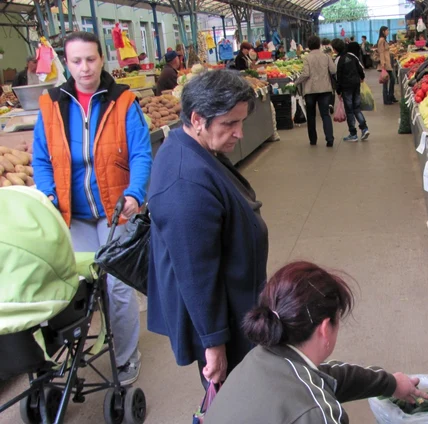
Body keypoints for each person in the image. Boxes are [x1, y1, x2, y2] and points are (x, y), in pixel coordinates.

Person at [176, 261, 423, 424]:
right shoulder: (313, 410)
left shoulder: (257, 360)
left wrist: (391, 383)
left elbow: (329, 378)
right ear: (326, 328)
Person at [33, 31, 151, 385]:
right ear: (65, 64)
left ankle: (126, 357)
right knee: (80, 285)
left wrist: (135, 192)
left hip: (116, 212)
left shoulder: (123, 101)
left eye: (91, 59)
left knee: (116, 286)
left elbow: (141, 153)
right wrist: (49, 196)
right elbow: (41, 158)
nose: (84, 68)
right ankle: (88, 346)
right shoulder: (51, 103)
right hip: (73, 214)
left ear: (103, 59)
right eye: (76, 61)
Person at [148, 70, 269, 386]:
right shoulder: (184, 182)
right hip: (223, 318)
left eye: (241, 122)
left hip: (237, 305)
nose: (239, 133)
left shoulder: (195, 149)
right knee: (233, 398)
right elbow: (195, 273)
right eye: (230, 123)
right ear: (197, 118)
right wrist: (214, 345)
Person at [295, 35, 336, 147]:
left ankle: (313, 140)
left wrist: (296, 82)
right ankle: (329, 139)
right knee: (325, 115)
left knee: (311, 115)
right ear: (319, 45)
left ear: (308, 46)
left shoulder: (307, 58)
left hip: (310, 90)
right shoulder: (326, 56)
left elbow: (306, 74)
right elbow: (333, 70)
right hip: (325, 89)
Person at [332, 39, 369, 143]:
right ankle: (364, 128)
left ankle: (353, 134)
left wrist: (338, 91)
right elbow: (360, 69)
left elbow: (338, 76)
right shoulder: (352, 56)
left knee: (349, 111)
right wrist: (361, 78)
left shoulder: (338, 59)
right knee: (357, 108)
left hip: (346, 87)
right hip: (356, 85)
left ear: (335, 49)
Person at [377, 26, 397, 105]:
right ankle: (387, 99)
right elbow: (381, 52)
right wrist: (383, 64)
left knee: (391, 80)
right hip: (385, 64)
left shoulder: (384, 40)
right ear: (383, 31)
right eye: (387, 30)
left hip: (387, 63)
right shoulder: (381, 40)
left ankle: (391, 96)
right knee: (387, 81)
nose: (388, 32)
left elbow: (386, 51)